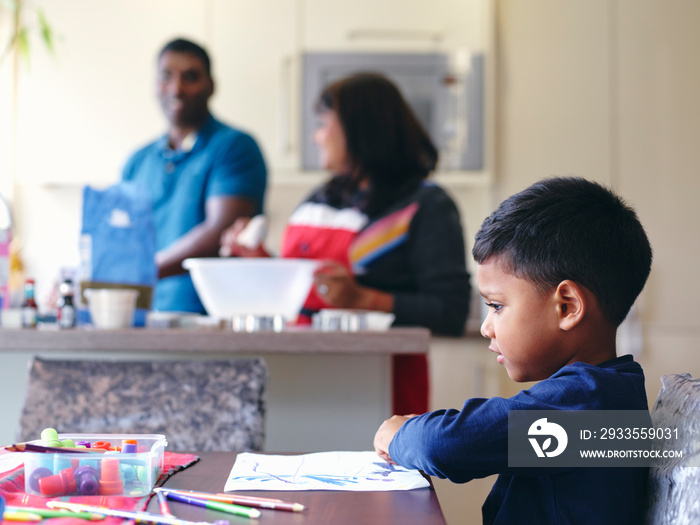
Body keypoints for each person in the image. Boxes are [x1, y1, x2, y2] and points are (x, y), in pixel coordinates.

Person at [373, 177, 654, 524]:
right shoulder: (609, 399)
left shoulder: (588, 411)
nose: (485, 326)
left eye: (496, 306)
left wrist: (401, 434)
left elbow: (449, 445)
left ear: (566, 307)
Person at [221, 72, 471, 414]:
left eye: (325, 123)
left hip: (379, 388)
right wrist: (259, 259)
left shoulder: (426, 205)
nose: (317, 136)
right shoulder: (319, 198)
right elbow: (302, 283)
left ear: (359, 130)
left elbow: (451, 311)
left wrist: (363, 299)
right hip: (296, 379)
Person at [122, 38, 267, 313]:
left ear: (211, 86)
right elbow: (123, 238)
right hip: (146, 318)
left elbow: (219, 231)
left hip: (214, 318)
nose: (176, 89)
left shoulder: (234, 147)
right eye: (166, 76)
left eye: (190, 77)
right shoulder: (137, 162)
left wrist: (145, 270)